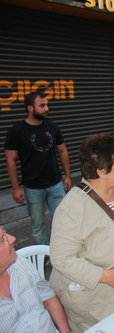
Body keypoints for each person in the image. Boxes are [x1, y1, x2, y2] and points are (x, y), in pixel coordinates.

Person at [49, 134, 114, 332]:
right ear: (101, 171)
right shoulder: (72, 208)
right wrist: (103, 276)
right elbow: (60, 258)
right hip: (100, 307)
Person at [5, 91, 71, 245]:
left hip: (55, 184)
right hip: (33, 187)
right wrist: (15, 188)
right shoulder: (16, 131)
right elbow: (10, 161)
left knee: (62, 222)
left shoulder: (53, 127)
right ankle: (43, 257)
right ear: (30, 108)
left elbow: (62, 151)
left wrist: (67, 176)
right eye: (42, 105)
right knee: (37, 225)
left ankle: (62, 253)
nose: (46, 108)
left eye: (47, 105)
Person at [0, 227, 71, 333]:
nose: (12, 238)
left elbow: (48, 298)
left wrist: (66, 331)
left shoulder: (19, 263)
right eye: (2, 240)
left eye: (5, 234)